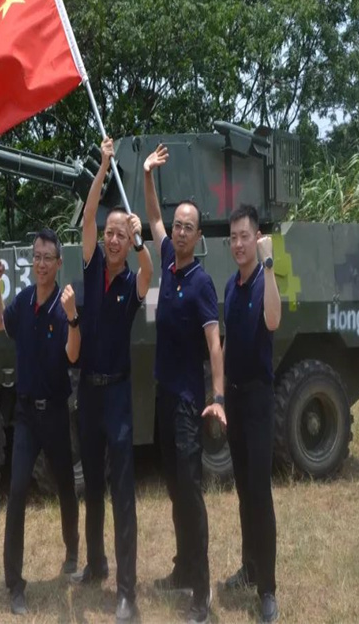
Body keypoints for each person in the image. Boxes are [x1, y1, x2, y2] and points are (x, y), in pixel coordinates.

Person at [143, 143, 226, 624]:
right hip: (162, 395)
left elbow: (215, 343)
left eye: (187, 227)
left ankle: (201, 590)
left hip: (189, 403)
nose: (177, 231)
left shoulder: (200, 282)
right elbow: (151, 217)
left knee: (191, 493)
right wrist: (150, 177)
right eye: (177, 225)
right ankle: (181, 568)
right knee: (174, 487)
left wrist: (217, 396)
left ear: (198, 236)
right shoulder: (169, 262)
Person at [71, 137, 153, 622]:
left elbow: (149, 268)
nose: (113, 239)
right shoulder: (93, 264)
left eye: (121, 234)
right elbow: (87, 217)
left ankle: (127, 591)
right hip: (89, 393)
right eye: (111, 234)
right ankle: (96, 561)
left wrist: (142, 237)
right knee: (94, 486)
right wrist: (103, 166)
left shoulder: (132, 280)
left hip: (119, 394)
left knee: (123, 491)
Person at [0, 228, 81, 617]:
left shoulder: (64, 306)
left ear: (59, 263)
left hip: (56, 411)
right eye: (37, 256)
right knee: (16, 493)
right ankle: (15, 584)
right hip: (26, 414)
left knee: (65, 485)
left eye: (48, 258)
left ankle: (73, 550)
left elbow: (74, 357)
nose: (41, 263)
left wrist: (74, 320)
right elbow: (0, 324)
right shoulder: (24, 301)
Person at [205, 204, 281, 624]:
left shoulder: (263, 280)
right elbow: (230, 343)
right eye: (233, 236)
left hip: (259, 400)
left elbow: (272, 319)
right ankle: (249, 567)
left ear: (257, 238)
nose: (237, 243)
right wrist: (220, 394)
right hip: (234, 398)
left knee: (260, 493)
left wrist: (268, 264)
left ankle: (267, 589)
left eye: (245, 236)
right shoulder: (232, 287)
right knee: (243, 493)